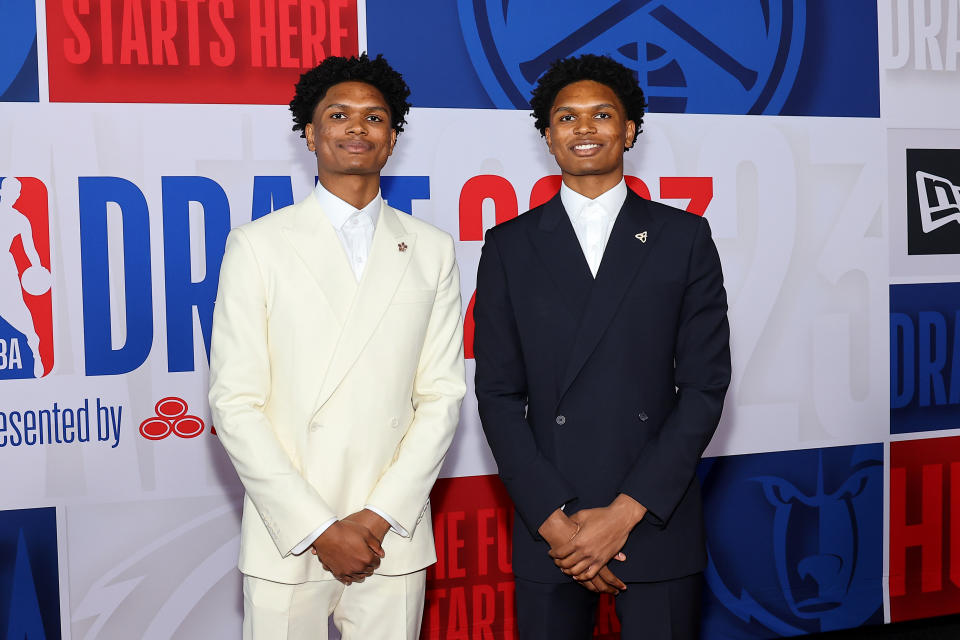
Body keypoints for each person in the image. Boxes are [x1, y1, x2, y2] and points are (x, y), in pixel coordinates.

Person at [209, 53, 465, 640]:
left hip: (391, 535)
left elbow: (443, 395)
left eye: (374, 117)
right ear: (310, 132)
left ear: (392, 137)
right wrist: (320, 528)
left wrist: (377, 517)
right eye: (339, 114)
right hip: (288, 534)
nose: (357, 127)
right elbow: (234, 402)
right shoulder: (258, 246)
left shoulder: (431, 248)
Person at [473, 54, 731, 640]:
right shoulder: (509, 246)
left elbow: (704, 387)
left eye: (602, 114)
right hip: (550, 524)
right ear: (547, 134)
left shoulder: (682, 237)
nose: (584, 128)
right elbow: (497, 392)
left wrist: (626, 512)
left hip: (653, 515)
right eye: (567, 116)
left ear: (629, 130)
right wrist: (553, 522)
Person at [0, 177, 47, 377]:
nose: (13, 196)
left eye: (16, 193)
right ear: (2, 191)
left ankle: (35, 348)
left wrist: (37, 268)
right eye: (10, 191)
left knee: (18, 309)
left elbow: (30, 249)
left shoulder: (20, 219)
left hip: (5, 267)